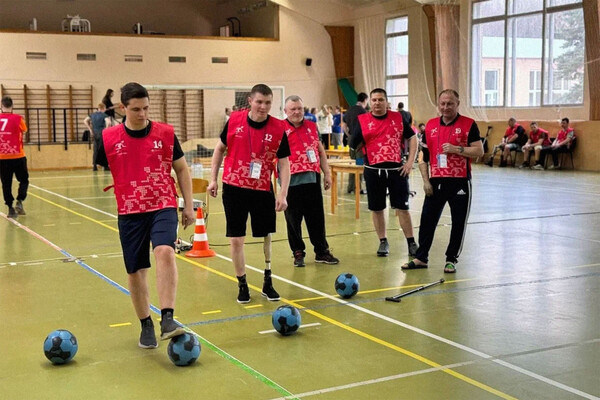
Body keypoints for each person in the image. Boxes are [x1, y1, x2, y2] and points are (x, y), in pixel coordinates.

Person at [99, 83, 194, 349]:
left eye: (146, 108)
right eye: (136, 109)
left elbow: (182, 169)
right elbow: (104, 164)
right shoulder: (108, 138)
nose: (142, 114)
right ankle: (146, 324)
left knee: (165, 251)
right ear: (123, 108)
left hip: (163, 203)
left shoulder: (165, 134)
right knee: (135, 270)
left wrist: (188, 206)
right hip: (130, 211)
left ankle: (168, 318)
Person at [208, 84, 291, 304]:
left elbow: (284, 163)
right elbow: (219, 149)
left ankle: (267, 280)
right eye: (259, 102)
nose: (263, 107)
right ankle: (242, 283)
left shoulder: (278, 127)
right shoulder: (234, 120)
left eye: (268, 103)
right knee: (236, 238)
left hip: (262, 189)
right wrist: (213, 179)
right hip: (233, 187)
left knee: (266, 235)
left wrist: (283, 193)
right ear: (250, 101)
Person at [402, 89, 483, 273]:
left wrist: (457, 149)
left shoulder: (469, 124)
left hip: (460, 182)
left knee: (458, 222)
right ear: (438, 105)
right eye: (443, 104)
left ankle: (451, 259)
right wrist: (426, 181)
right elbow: (423, 156)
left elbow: (479, 151)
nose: (446, 107)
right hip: (436, 181)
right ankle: (421, 257)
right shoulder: (430, 125)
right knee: (427, 220)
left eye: (450, 104)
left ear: (457, 104)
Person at [349, 88, 418, 258]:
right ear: (370, 102)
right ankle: (383, 241)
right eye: (374, 100)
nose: (377, 103)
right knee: (377, 208)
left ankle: (411, 242)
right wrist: (358, 152)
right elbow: (353, 145)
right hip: (373, 171)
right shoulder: (362, 120)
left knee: (403, 208)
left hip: (397, 170)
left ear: (386, 102)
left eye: (381, 100)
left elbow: (413, 137)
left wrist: (410, 162)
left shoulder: (398, 118)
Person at [283, 95, 339, 267]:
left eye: (299, 108)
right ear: (285, 111)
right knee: (293, 220)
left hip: (312, 179)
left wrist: (327, 173)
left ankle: (321, 251)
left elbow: (320, 151)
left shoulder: (312, 126)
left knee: (316, 218)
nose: (297, 112)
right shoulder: (280, 129)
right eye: (293, 109)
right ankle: (298, 252)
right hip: (290, 181)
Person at [0, 96, 29, 219]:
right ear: (12, 106)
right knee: (24, 180)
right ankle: (20, 200)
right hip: (17, 155)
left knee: (6, 183)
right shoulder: (18, 118)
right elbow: (24, 130)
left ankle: (10, 208)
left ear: (1, 106)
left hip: (2, 157)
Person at [342, 92, 368, 194]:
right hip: (360, 141)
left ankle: (351, 187)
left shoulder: (349, 110)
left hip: (351, 139)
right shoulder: (363, 111)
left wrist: (348, 135)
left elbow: (344, 125)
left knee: (352, 163)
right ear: (365, 100)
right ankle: (357, 187)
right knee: (359, 163)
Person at [84, 103, 112, 171]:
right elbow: (108, 122)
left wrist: (90, 129)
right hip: (102, 133)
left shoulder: (92, 115)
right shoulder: (104, 115)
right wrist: (106, 130)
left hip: (95, 133)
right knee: (103, 149)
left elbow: (85, 120)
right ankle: (105, 165)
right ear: (103, 108)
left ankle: (94, 166)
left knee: (95, 149)